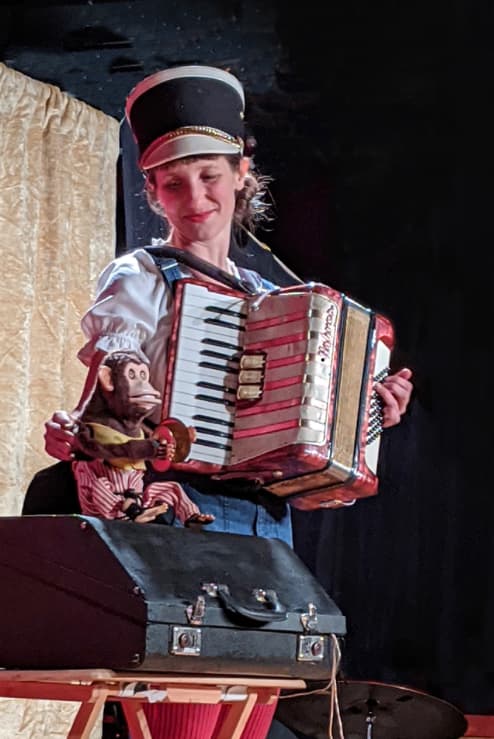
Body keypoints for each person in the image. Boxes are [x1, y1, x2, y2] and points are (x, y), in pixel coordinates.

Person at [41, 64, 414, 739]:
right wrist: (124, 379)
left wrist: (370, 413)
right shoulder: (141, 276)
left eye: (210, 175)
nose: (196, 196)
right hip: (178, 523)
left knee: (246, 722)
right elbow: (106, 402)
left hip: (270, 536)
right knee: (184, 724)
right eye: (174, 182)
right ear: (152, 192)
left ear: (242, 171)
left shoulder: (279, 298)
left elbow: (311, 465)